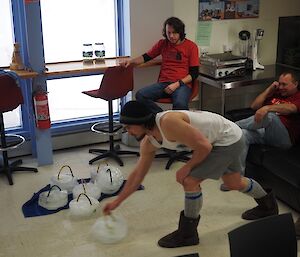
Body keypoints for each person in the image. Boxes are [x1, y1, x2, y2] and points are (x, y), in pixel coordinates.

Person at [103, 100, 278, 248]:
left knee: (189, 180)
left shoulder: (167, 123)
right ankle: (267, 206)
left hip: (228, 139)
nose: (127, 131)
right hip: (223, 137)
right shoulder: (149, 141)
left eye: (129, 126)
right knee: (234, 183)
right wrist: (117, 202)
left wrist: (187, 167)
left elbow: (204, 147)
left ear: (142, 121)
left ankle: (188, 234)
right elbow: (137, 176)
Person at [122, 17, 199, 114]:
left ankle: (176, 126)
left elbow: (194, 74)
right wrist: (131, 61)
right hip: (164, 83)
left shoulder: (191, 46)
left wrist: (176, 85)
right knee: (140, 95)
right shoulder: (162, 44)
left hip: (182, 84)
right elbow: (146, 57)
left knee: (180, 105)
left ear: (180, 32)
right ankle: (161, 117)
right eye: (168, 33)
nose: (171, 36)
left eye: (174, 33)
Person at [236, 71, 300, 174]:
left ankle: (232, 126)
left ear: (295, 84)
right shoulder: (276, 93)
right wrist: (269, 89)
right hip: (265, 132)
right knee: (242, 134)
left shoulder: (298, 97)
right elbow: (254, 106)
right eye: (280, 84)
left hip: (284, 139)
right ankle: (238, 177)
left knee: (271, 116)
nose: (281, 87)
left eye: (285, 84)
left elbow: (291, 108)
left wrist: (267, 108)